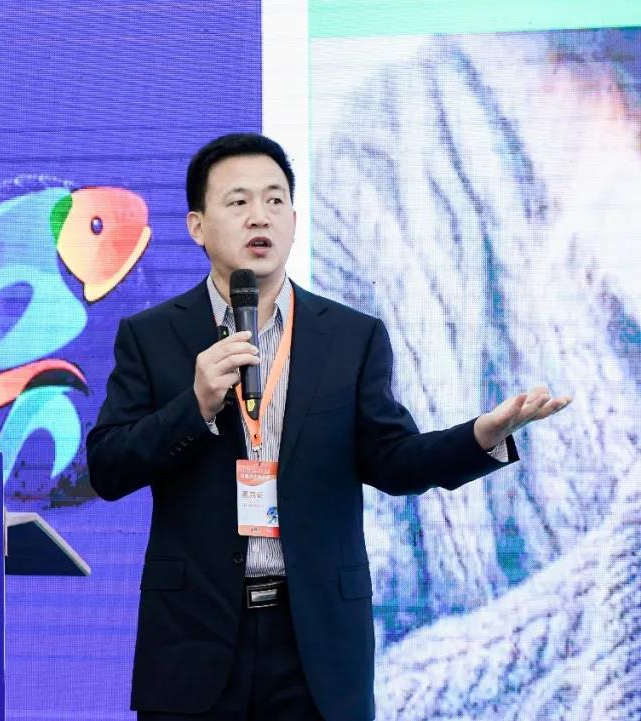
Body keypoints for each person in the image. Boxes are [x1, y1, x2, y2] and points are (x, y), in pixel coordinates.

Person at [85, 132, 570, 721]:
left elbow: (392, 460)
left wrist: (479, 437)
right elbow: (108, 467)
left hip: (314, 642)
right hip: (195, 639)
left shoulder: (351, 336)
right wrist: (195, 405)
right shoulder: (151, 335)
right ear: (197, 226)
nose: (260, 216)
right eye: (238, 202)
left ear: (294, 220)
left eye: (275, 200)